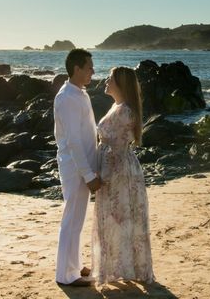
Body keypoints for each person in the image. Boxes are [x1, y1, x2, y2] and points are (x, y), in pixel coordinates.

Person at [92, 66, 154, 284]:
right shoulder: (117, 107)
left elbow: (115, 145)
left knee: (120, 219)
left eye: (110, 78)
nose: (106, 81)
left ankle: (123, 268)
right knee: (116, 218)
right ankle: (118, 267)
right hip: (115, 167)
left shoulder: (125, 111)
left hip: (119, 170)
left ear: (121, 84)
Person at [54, 49, 102, 287]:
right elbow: (73, 141)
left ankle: (74, 265)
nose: (93, 71)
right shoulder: (67, 98)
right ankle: (66, 275)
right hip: (74, 167)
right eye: (89, 67)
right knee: (71, 219)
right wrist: (89, 174)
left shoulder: (79, 93)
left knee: (77, 219)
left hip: (81, 166)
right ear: (77, 69)